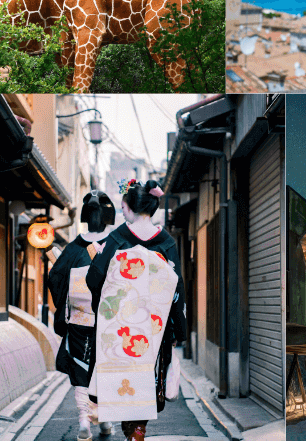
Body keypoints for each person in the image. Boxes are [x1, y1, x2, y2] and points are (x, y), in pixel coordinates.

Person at [86, 180, 186, 441]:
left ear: (129, 208)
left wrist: (101, 263)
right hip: (153, 328)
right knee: (145, 380)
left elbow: (94, 280)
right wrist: (179, 328)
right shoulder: (166, 242)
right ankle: (137, 430)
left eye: (122, 206)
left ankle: (132, 431)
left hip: (118, 328)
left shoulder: (117, 238)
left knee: (120, 381)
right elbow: (177, 290)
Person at [47, 191, 118, 441]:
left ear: (85, 217)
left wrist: (66, 305)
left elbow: (55, 278)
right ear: (109, 216)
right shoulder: (117, 243)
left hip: (79, 319)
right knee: (105, 368)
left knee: (80, 369)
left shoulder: (74, 247)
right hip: (110, 320)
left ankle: (83, 420)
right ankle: (106, 419)